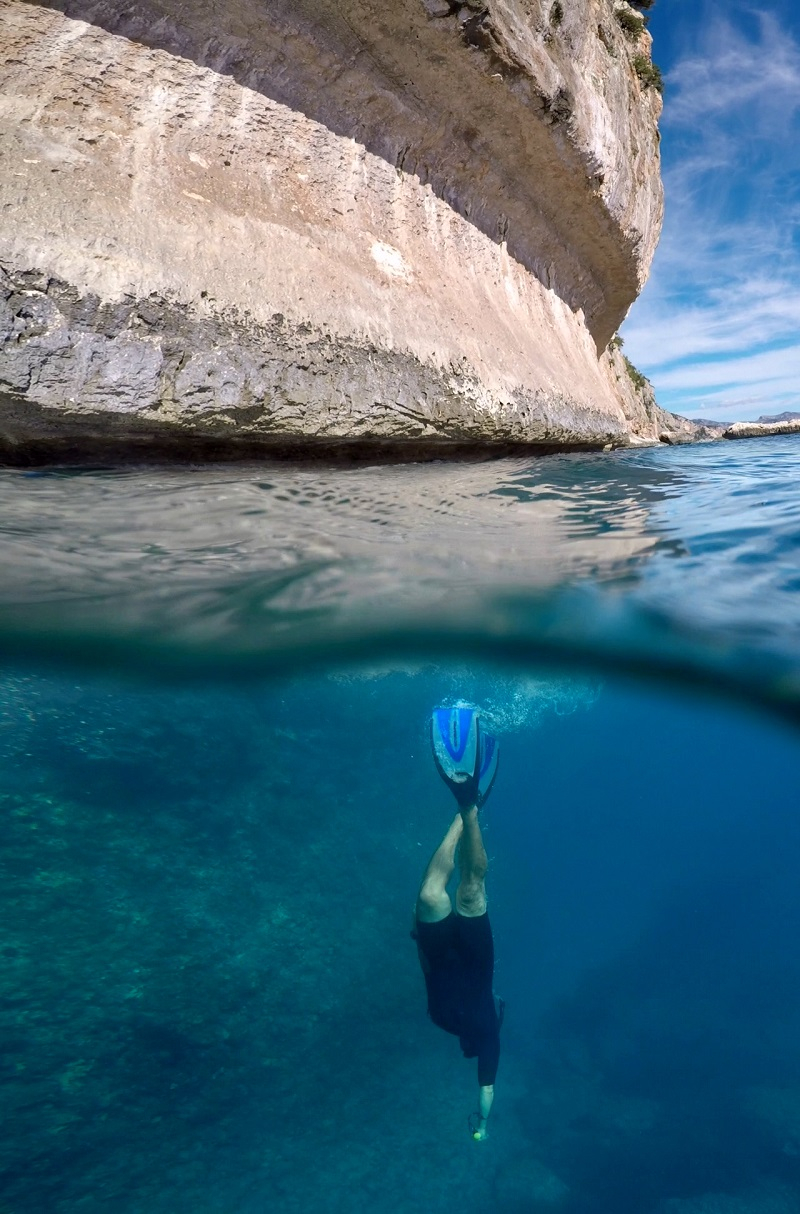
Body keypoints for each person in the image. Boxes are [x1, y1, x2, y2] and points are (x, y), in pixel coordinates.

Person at [412, 706, 503, 1141]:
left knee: (431, 893)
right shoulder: (489, 1038)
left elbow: (425, 972)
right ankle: (468, 807)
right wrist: (482, 1125)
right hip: (476, 960)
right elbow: (487, 1088)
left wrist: (417, 934)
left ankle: (461, 811)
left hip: (439, 953)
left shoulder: (441, 1021)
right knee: (470, 889)